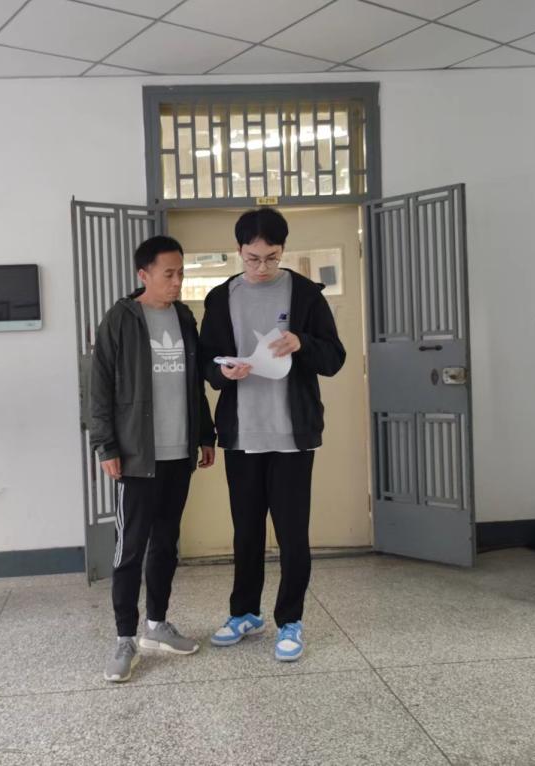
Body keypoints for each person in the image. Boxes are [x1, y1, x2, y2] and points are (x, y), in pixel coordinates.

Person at [200, 208, 345, 662]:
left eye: (271, 257)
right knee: (246, 531)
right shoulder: (220, 297)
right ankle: (244, 613)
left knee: (292, 533)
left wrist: (302, 343)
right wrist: (224, 372)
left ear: (282, 251)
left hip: (291, 436)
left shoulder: (305, 295)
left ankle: (290, 621)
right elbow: (206, 362)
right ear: (239, 251)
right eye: (252, 258)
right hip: (242, 433)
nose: (262, 267)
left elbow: (334, 358)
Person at [89, 235, 216, 682]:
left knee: (166, 543)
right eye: (169, 274)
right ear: (143, 274)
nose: (177, 281)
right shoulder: (120, 319)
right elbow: (99, 387)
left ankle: (157, 625)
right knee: (129, 548)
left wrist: (204, 434)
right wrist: (106, 445)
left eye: (181, 273)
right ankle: (125, 637)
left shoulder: (184, 317)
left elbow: (194, 384)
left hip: (178, 453)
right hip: (136, 456)